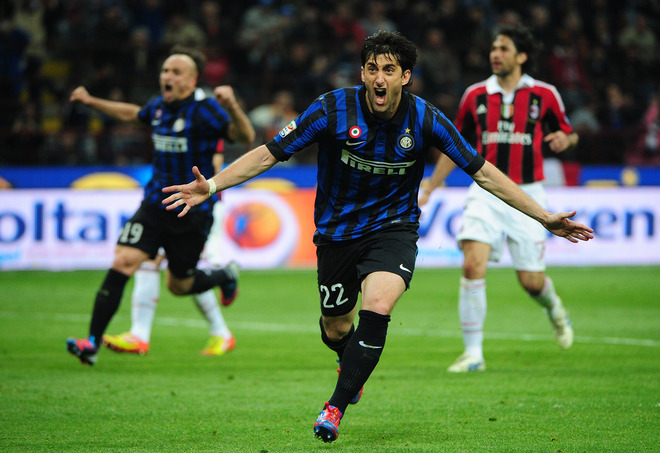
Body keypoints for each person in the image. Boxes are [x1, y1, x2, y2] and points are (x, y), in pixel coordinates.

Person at [161, 31, 593, 443]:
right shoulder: (331, 109)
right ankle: (345, 360)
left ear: (405, 76)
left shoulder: (426, 118)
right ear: (363, 73)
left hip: (393, 230)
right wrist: (213, 185)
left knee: (379, 304)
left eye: (389, 70)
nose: (379, 78)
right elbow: (270, 153)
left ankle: (334, 407)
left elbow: (482, 171)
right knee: (335, 328)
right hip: (335, 235)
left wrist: (543, 216)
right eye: (371, 68)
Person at [66, 45, 255, 366]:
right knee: (124, 260)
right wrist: (90, 101)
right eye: (165, 70)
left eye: (175, 72)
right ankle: (92, 343)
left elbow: (245, 135)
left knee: (179, 286)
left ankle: (224, 275)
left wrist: (233, 106)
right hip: (154, 203)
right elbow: (132, 114)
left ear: (192, 79)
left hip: (191, 210)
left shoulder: (206, 109)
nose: (167, 77)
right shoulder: (158, 106)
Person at [418, 24, 581, 373]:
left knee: (531, 282)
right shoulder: (475, 95)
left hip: (529, 194)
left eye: (504, 48)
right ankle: (473, 354)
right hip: (485, 192)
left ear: (521, 56)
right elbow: (454, 145)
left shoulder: (544, 94)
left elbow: (569, 132)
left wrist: (565, 141)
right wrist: (431, 185)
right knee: (472, 264)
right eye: (494, 47)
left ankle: (555, 309)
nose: (496, 53)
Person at [102, 140, 238, 357]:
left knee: (189, 272)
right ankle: (139, 335)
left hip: (200, 207)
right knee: (150, 259)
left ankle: (221, 329)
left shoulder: (205, 117)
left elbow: (214, 164)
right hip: (172, 205)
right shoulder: (171, 121)